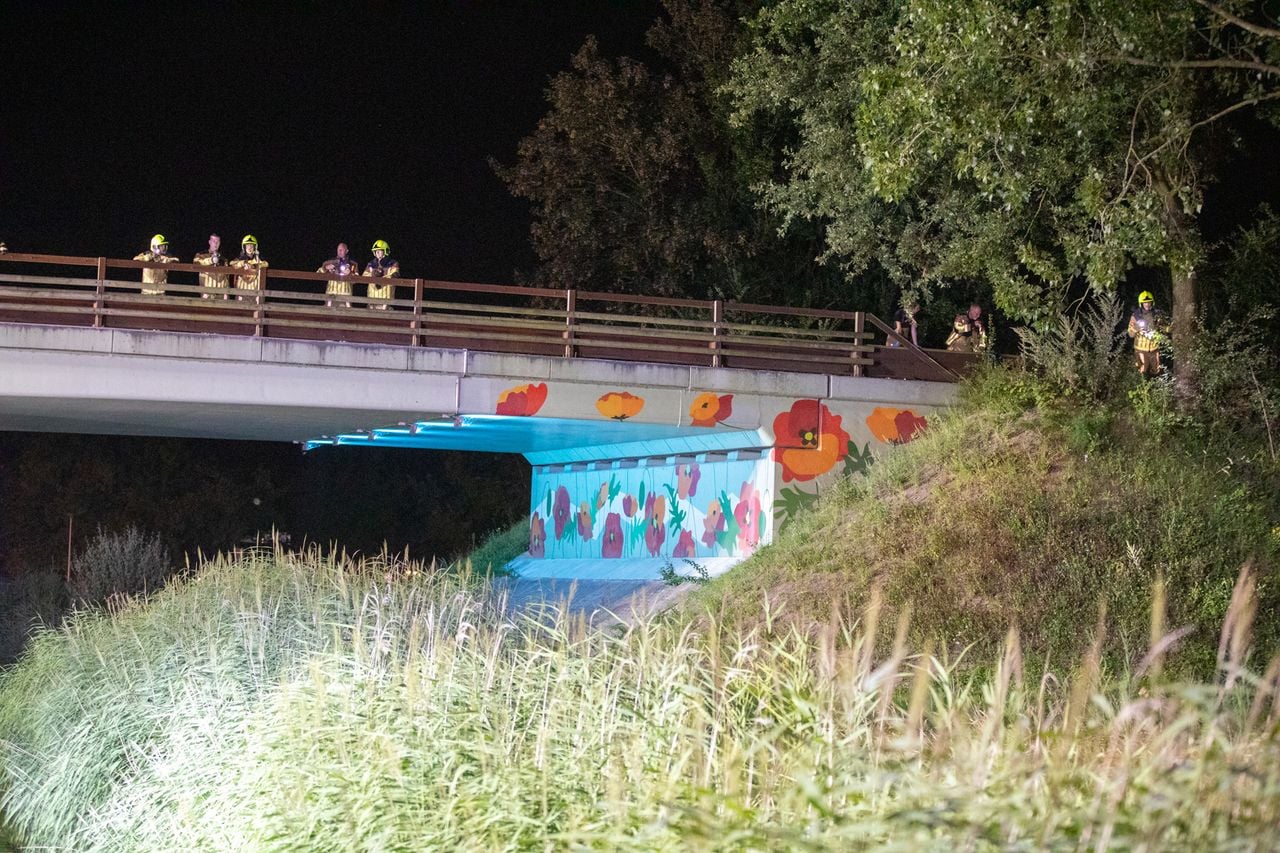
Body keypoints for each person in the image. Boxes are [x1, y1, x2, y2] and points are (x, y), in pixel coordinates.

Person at [1127, 290, 1166, 377]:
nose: (1147, 304)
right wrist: (1136, 328)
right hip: (1140, 349)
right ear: (1141, 304)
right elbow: (1130, 334)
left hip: (1154, 348)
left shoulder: (1157, 314)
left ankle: (1157, 388)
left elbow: (1162, 327)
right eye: (1145, 303)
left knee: (1157, 371)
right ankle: (1143, 388)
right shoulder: (1135, 316)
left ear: (1152, 303)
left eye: (1149, 302)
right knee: (1142, 372)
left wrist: (1169, 328)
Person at [318, 242, 359, 308]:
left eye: (342, 249)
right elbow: (318, 274)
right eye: (338, 249)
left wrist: (349, 273)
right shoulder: (329, 262)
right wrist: (326, 268)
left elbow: (356, 280)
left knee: (346, 315)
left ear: (347, 251)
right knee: (329, 314)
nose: (339, 251)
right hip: (331, 295)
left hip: (346, 296)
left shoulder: (352, 264)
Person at [362, 238, 399, 309]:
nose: (377, 253)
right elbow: (364, 276)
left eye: (380, 251)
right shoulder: (371, 264)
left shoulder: (393, 263)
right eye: (376, 251)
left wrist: (383, 276)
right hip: (372, 297)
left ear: (385, 251)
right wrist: (373, 274)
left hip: (386, 297)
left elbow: (395, 274)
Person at [230, 234, 268, 300]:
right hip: (241, 294)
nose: (250, 247)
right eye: (247, 245)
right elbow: (232, 264)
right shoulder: (239, 259)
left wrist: (254, 266)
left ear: (255, 247)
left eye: (251, 245)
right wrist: (243, 263)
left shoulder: (258, 260)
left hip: (255, 295)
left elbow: (266, 264)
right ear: (244, 247)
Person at [192, 234, 229, 299]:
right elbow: (195, 263)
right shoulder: (201, 255)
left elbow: (226, 277)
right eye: (214, 241)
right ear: (209, 242)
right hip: (207, 294)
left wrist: (227, 293)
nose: (216, 243)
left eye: (218, 241)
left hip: (221, 295)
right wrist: (211, 260)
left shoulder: (223, 259)